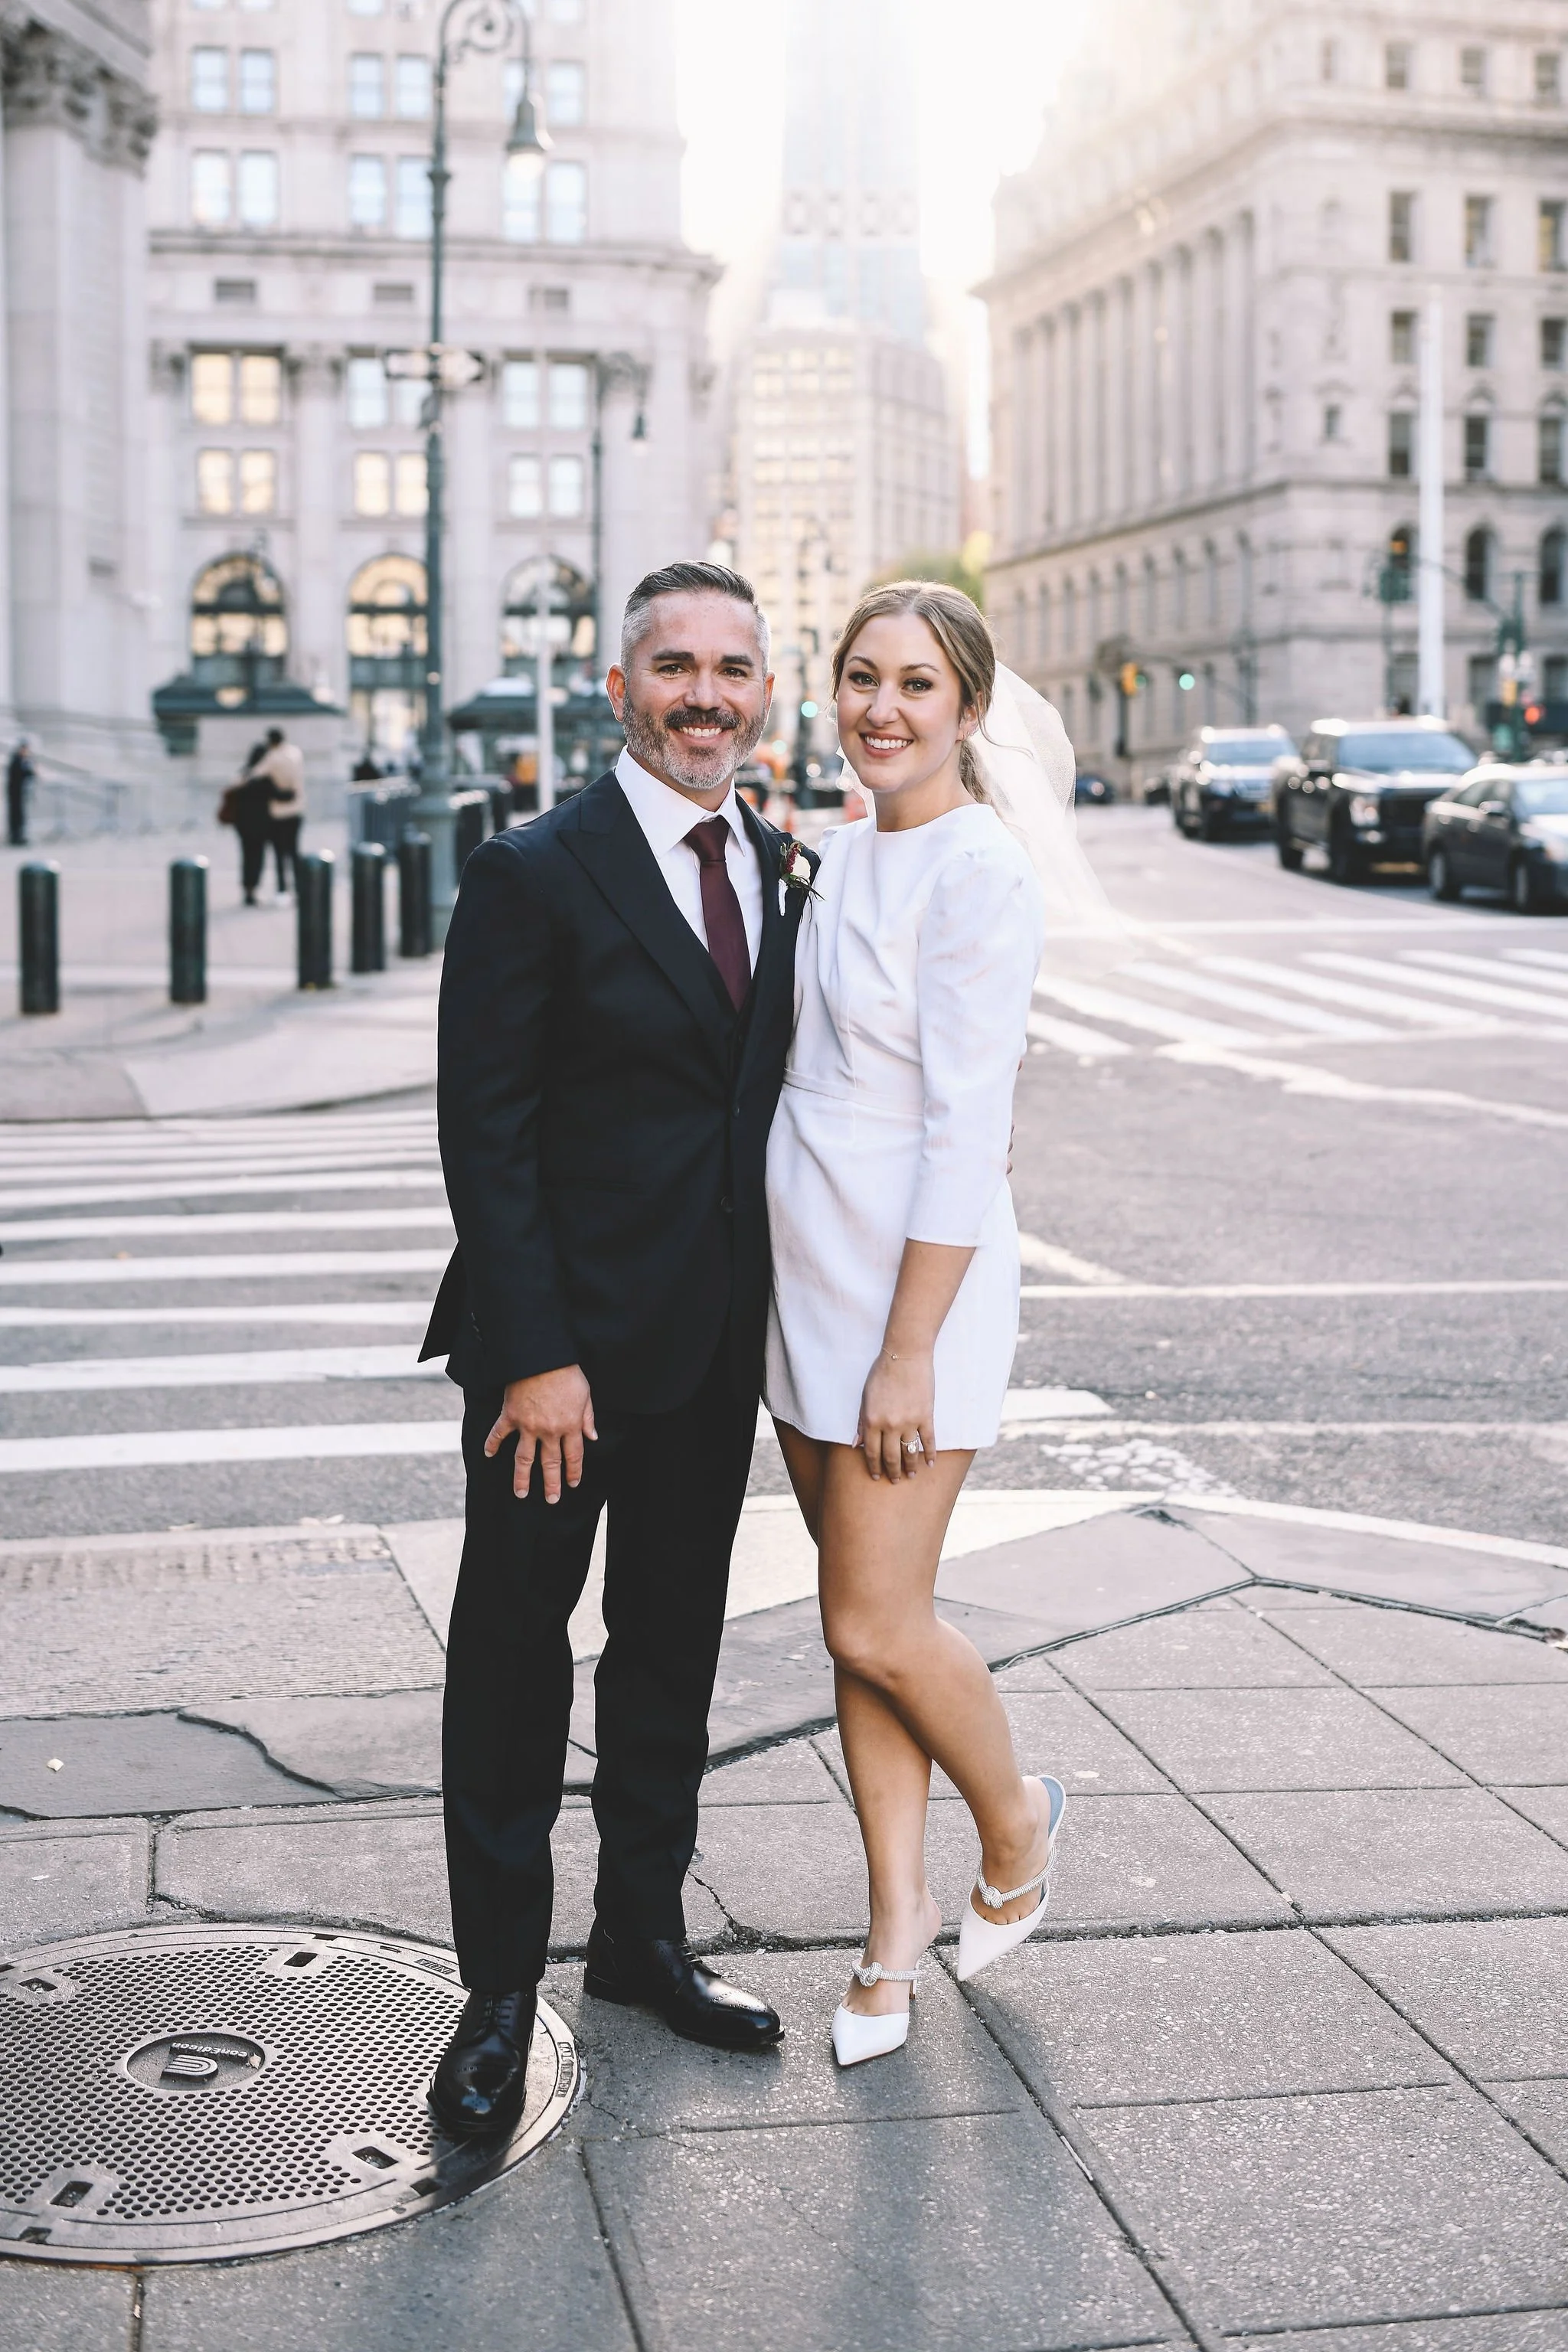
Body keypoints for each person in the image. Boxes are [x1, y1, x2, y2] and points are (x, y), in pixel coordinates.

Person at [420, 561, 816, 2138]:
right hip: (558, 1369)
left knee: (671, 1650)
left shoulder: (779, 867)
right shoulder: (536, 870)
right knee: (516, 1666)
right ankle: (498, 1990)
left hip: (708, 1350)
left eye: (732, 668)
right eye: (675, 666)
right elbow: (486, 1129)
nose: (705, 694)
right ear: (618, 688)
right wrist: (533, 1352)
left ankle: (640, 1939)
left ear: (760, 693)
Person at [766, 580, 1087, 2069]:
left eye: (914, 684)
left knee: (872, 1614)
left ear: (966, 707)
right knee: (859, 1641)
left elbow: (967, 1130)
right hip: (802, 1285)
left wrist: (908, 1346)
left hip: (915, 1301)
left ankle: (1016, 1819)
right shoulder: (830, 855)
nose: (880, 708)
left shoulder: (978, 872)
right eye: (858, 677)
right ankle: (890, 1935)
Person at [254, 724, 305, 898]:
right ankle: (300, 886)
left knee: (279, 854)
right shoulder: (296, 753)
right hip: (296, 809)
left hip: (278, 812)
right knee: (294, 851)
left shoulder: (272, 757)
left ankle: (283, 890)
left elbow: (255, 774)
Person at [229, 740, 276, 906]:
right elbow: (277, 795)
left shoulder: (244, 774)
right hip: (261, 825)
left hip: (243, 824)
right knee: (257, 857)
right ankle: (253, 889)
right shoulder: (265, 777)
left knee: (247, 856)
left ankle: (247, 889)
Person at [6, 737, 34, 847]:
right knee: (16, 816)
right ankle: (15, 837)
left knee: (20, 816)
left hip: (20, 793)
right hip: (15, 793)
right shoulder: (16, 760)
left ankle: (19, 836)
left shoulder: (23, 760)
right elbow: (21, 774)